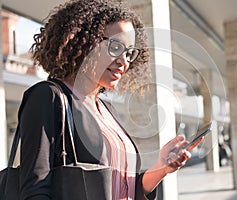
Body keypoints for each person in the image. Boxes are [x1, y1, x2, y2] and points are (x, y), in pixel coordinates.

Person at [18, 0, 198, 199]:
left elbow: (124, 187)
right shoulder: (48, 97)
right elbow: (35, 190)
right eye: (115, 47)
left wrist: (161, 167)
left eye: (130, 53)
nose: (124, 61)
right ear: (84, 41)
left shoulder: (108, 110)